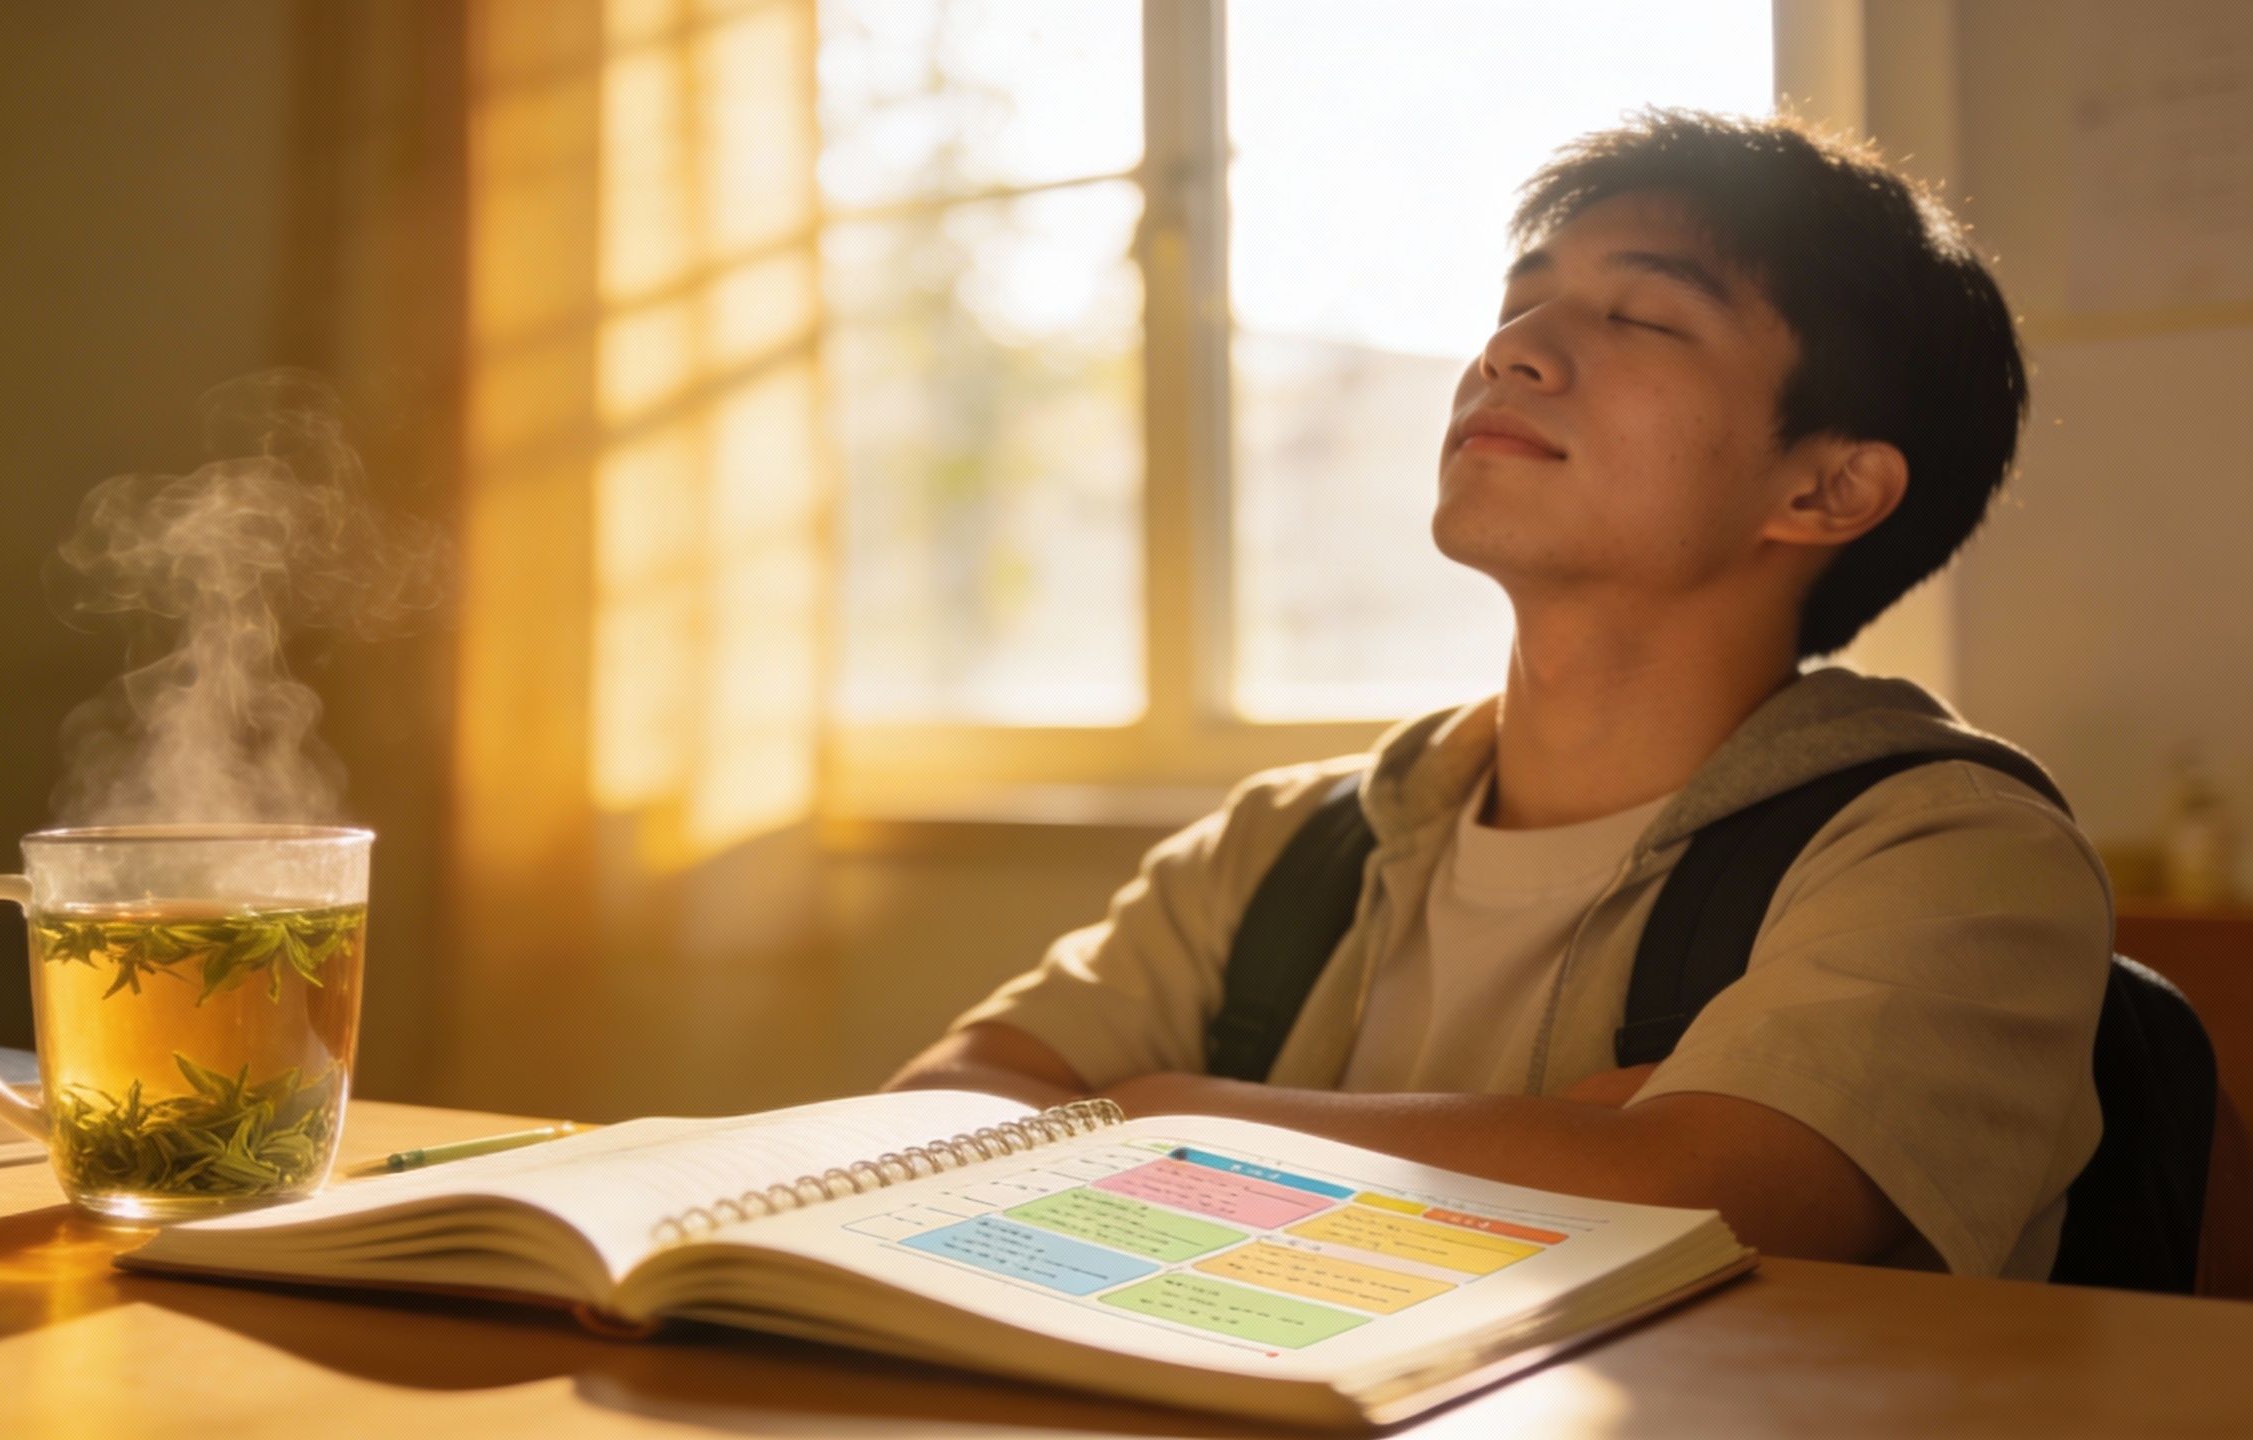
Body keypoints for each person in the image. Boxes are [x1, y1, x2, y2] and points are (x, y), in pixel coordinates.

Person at [883, 110, 2110, 1281]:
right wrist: (1552, 1139)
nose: (1508, 349)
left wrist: (1156, 1110)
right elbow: (948, 1099)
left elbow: (1704, 1189)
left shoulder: (1949, 852)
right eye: (1520, 300)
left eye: (1642, 316)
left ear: (1827, 491)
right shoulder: (1286, 843)